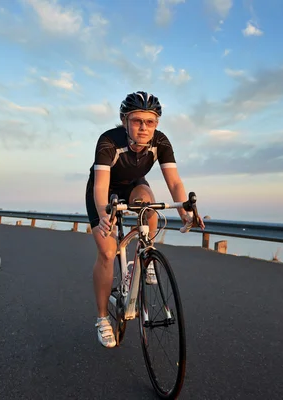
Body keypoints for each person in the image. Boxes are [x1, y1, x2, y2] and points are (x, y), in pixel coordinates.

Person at [85, 91, 204, 348]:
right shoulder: (108, 141)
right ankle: (102, 318)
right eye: (137, 120)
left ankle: (143, 258)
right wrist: (105, 215)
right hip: (104, 191)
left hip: (134, 186)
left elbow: (174, 181)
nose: (143, 127)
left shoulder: (160, 142)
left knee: (148, 204)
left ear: (156, 124)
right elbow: (101, 186)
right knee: (107, 252)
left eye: (150, 122)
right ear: (124, 120)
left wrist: (185, 211)